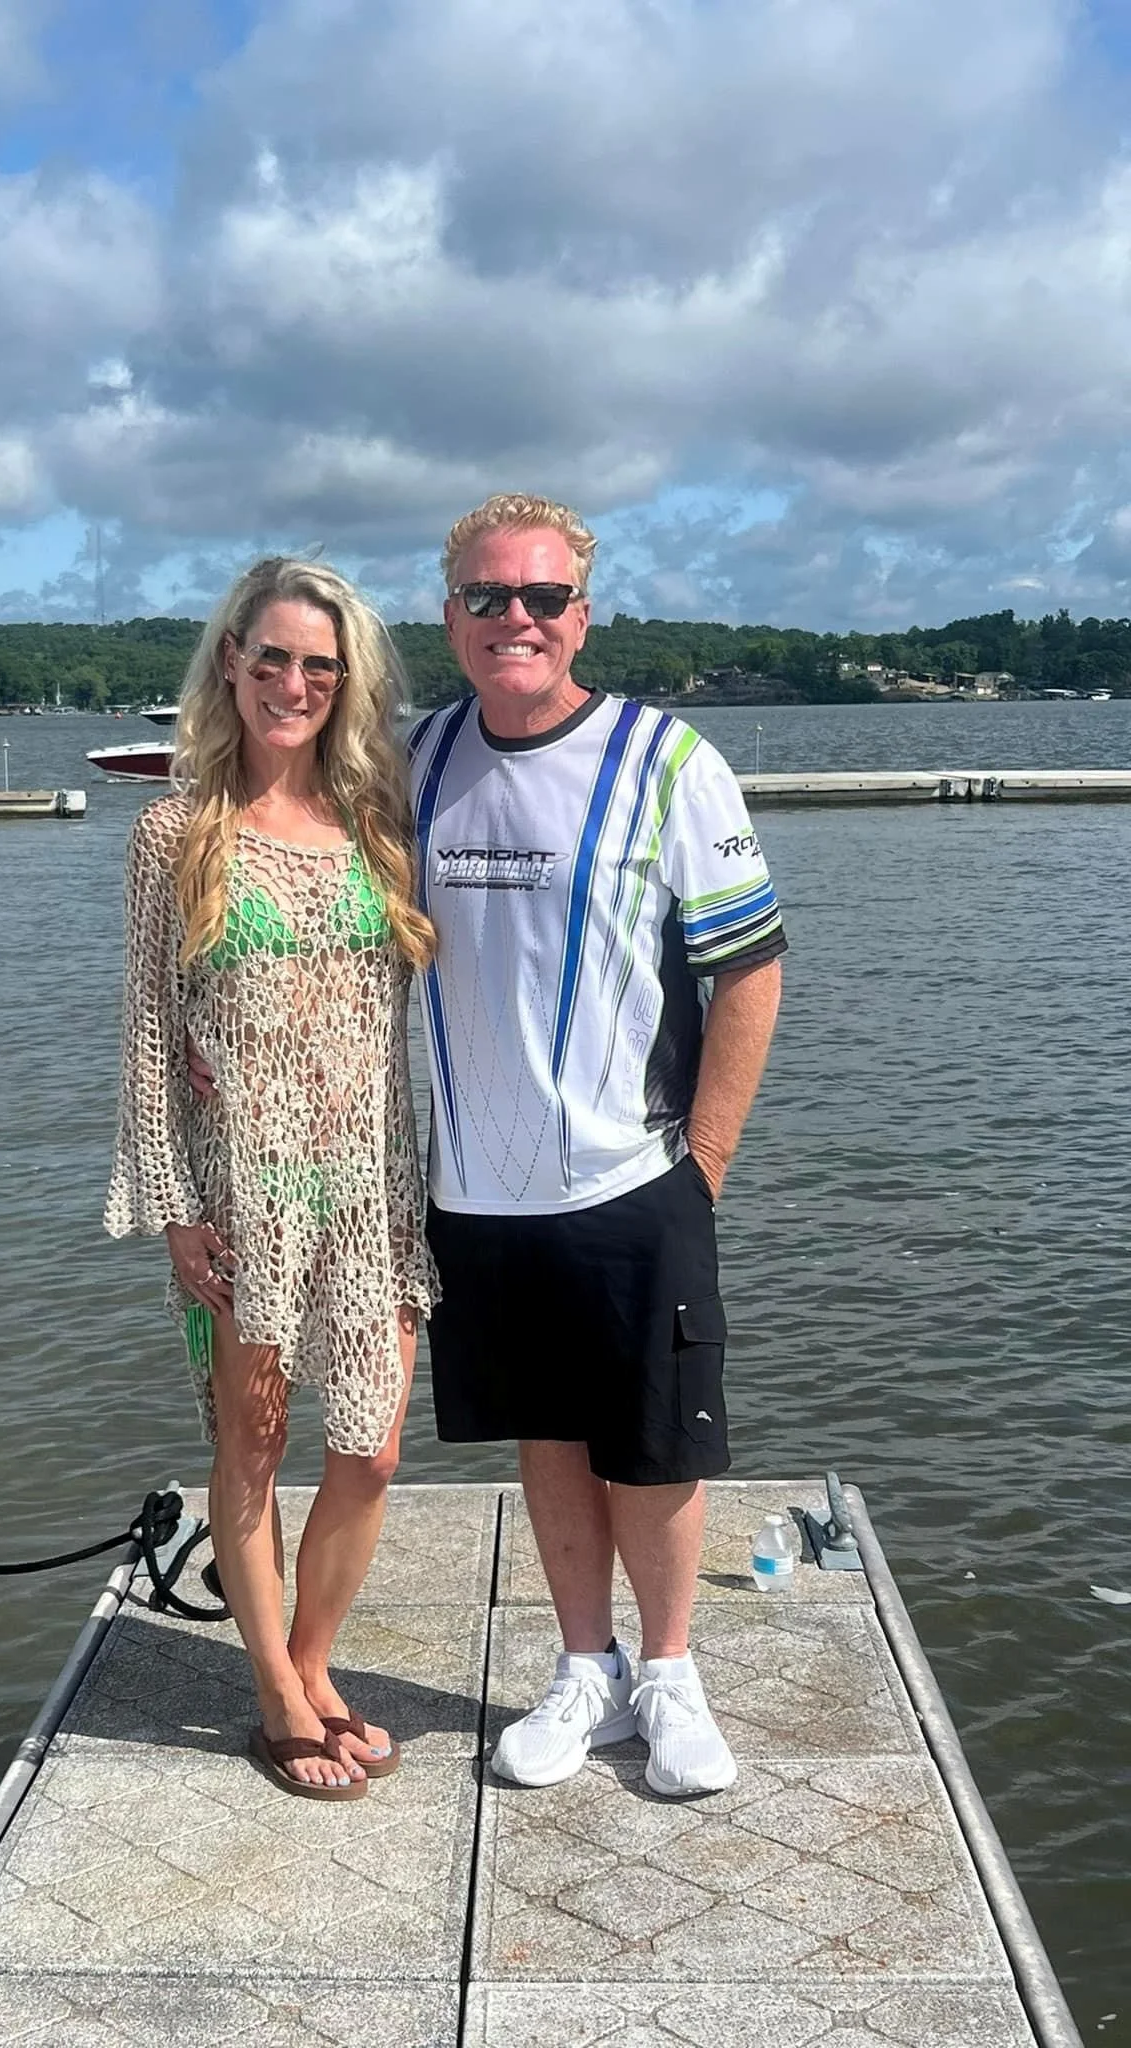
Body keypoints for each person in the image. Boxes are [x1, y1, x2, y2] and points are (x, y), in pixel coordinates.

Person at [408, 493, 785, 1798]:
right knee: (548, 1437)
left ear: (584, 616)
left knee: (656, 1442)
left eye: (543, 598)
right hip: (475, 1193)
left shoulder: (669, 762)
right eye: (487, 597)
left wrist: (708, 1167)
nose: (516, 619)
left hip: (635, 1176)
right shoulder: (416, 761)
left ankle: (671, 1676)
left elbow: (751, 975)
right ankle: (588, 1669)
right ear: (447, 616)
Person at [103, 557, 438, 1801]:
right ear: (230, 662)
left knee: (373, 1447)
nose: (293, 682)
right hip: (241, 1190)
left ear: (343, 683)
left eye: (320, 664)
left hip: (371, 1189)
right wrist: (174, 1209)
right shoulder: (175, 834)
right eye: (273, 657)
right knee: (252, 1445)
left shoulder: (376, 824)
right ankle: (279, 1695)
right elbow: (146, 1030)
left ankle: (308, 1660)